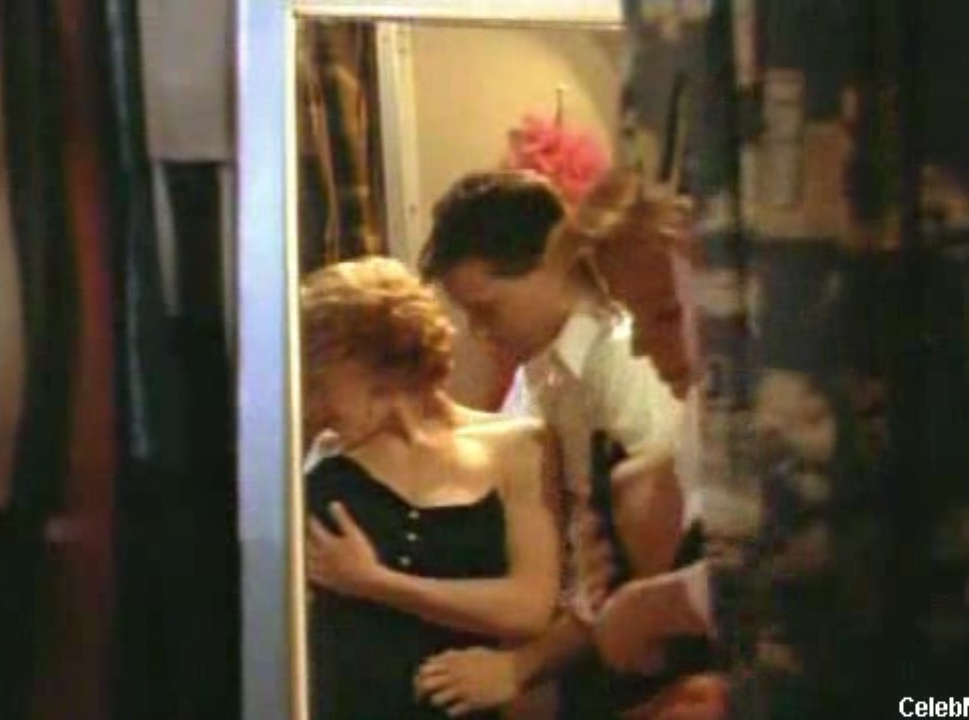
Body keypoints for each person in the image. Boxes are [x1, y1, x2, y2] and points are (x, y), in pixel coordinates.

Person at [412, 170, 714, 720]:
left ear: (550, 268)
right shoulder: (539, 374)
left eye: (487, 309)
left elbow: (658, 553)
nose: (480, 331)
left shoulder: (621, 363)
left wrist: (522, 666)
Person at [299, 256, 563, 720]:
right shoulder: (325, 463)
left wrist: (377, 583)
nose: (311, 404)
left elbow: (529, 606)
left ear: (369, 362)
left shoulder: (518, 445)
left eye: (319, 383)